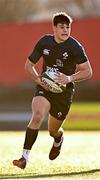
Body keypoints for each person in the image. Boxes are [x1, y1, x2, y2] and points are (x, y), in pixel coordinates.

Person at [13, 12, 92, 169]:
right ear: (54, 28)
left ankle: (58, 139)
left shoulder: (74, 47)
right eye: (62, 27)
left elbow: (88, 72)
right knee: (37, 116)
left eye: (68, 27)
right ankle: (24, 157)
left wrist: (68, 78)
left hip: (64, 93)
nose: (65, 30)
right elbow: (29, 66)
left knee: (52, 131)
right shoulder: (45, 42)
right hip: (45, 88)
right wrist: (38, 80)